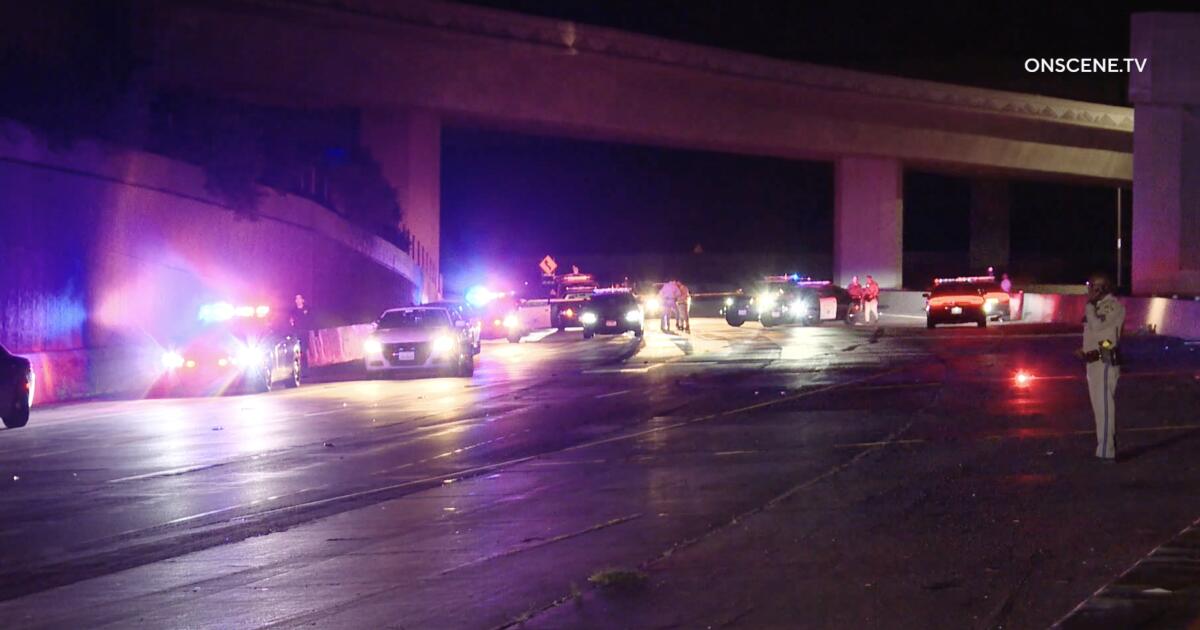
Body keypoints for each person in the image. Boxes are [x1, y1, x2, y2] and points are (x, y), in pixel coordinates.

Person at [1075, 273, 1124, 462]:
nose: (1089, 289)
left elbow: (1105, 335)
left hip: (1104, 363)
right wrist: (1086, 350)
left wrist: (1089, 306)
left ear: (1102, 288)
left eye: (1093, 286)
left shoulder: (1112, 306)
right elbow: (1097, 336)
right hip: (1093, 362)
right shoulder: (1098, 307)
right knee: (1099, 408)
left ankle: (1106, 450)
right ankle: (1104, 446)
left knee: (1104, 408)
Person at [289, 293, 313, 370]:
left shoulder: (308, 309)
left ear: (303, 300)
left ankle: (305, 368)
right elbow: (291, 321)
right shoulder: (293, 311)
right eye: (296, 299)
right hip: (297, 333)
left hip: (305, 332)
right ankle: (297, 368)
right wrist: (292, 323)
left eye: (299, 298)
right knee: (298, 350)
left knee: (304, 350)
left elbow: (312, 320)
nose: (298, 300)